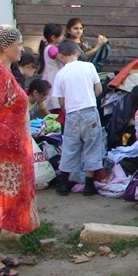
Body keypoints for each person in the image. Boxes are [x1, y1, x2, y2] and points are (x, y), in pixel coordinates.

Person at [0, 24, 40, 276]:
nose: (22, 48)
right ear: (5, 47)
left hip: (7, 152)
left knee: (0, 204)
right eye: (18, 43)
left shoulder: (1, 70)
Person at [53, 39, 104, 196]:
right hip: (89, 111)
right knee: (92, 145)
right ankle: (89, 185)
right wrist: (89, 98)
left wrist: (68, 107)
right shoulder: (89, 66)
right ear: (78, 52)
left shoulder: (60, 74)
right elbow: (99, 89)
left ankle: (63, 183)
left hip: (72, 113)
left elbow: (61, 101)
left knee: (70, 146)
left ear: (60, 55)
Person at [38, 23, 64, 113]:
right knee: (57, 107)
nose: (63, 37)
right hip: (53, 79)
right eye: (61, 35)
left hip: (50, 77)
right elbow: (64, 60)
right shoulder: (52, 49)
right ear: (53, 37)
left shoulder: (47, 48)